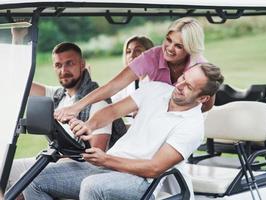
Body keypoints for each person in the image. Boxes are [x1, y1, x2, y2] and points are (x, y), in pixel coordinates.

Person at [23, 63, 224, 200]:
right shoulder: (155, 90)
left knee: (93, 186)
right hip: (111, 166)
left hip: (146, 181)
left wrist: (106, 160)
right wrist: (89, 126)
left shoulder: (192, 126)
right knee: (34, 179)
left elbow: (154, 169)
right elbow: (112, 110)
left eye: (188, 86)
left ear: (202, 98)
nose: (179, 85)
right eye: (182, 77)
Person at [54, 17, 214, 123]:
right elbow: (112, 87)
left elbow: (206, 106)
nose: (169, 49)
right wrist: (76, 107)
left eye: (178, 46)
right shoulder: (152, 56)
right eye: (168, 40)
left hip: (185, 119)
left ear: (190, 48)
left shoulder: (200, 68)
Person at [7, 42, 112, 190]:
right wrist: (17, 37)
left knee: (27, 180)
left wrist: (52, 160)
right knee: (3, 168)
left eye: (69, 63)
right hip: (51, 159)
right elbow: (20, 80)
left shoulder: (98, 103)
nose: (63, 70)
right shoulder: (57, 95)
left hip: (80, 168)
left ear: (82, 65)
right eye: (58, 65)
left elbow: (94, 158)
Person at [111, 35, 154, 103]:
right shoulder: (124, 82)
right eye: (128, 51)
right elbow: (112, 101)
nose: (132, 55)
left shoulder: (156, 80)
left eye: (138, 50)